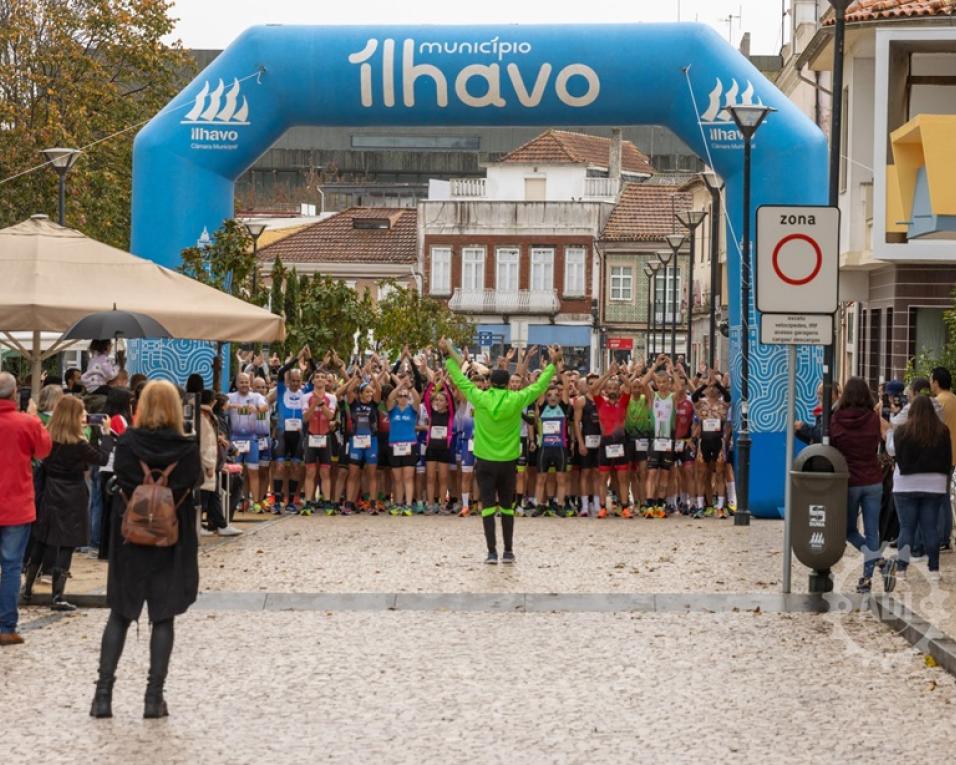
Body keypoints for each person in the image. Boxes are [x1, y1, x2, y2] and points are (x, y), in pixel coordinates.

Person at [91, 380, 202, 719]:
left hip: (131, 540)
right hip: (171, 541)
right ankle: (154, 698)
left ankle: (103, 696)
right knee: (163, 617)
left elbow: (120, 482)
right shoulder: (187, 448)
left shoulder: (127, 443)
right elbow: (194, 483)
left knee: (120, 615)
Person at [441, 338, 558, 564]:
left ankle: (491, 552)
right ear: (507, 383)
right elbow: (539, 386)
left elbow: (459, 380)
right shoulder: (516, 398)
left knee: (486, 506)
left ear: (490, 383)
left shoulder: (480, 397)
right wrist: (552, 365)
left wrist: (448, 358)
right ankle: (508, 551)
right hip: (508, 460)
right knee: (506, 506)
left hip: (484, 459)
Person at [21, 396, 111, 610]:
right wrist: (106, 435)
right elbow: (103, 458)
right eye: (81, 414)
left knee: (43, 539)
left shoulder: (48, 438)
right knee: (67, 542)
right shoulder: (79, 444)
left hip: (50, 491)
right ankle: (57, 596)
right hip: (73, 494)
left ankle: (27, 589)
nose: (84, 417)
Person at [0, 373, 52, 646]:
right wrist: (33, 417)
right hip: (16, 506)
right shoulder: (26, 423)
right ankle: (6, 627)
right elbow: (44, 450)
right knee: (10, 567)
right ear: (14, 394)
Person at [886, 394, 951, 585]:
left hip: (905, 484)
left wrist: (890, 432)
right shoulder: (942, 431)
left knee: (907, 528)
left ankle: (902, 570)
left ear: (911, 411)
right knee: (930, 528)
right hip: (935, 484)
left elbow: (891, 450)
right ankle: (934, 570)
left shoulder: (902, 431)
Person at [830, 377, 887, 594]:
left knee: (848, 530)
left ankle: (878, 559)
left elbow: (832, 445)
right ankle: (867, 577)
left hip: (850, 481)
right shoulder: (873, 418)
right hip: (873, 479)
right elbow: (879, 441)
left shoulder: (836, 419)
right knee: (873, 531)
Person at [225, 373, 269, 513]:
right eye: (241, 382)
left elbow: (265, 407)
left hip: (251, 438)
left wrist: (257, 409)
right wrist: (232, 406)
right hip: (235, 438)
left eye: (246, 382)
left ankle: (256, 502)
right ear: (237, 384)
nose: (244, 384)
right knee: (236, 472)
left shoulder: (255, 397)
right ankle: (238, 500)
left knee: (253, 471)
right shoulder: (230, 396)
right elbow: (222, 406)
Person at [930, 367, 956, 552]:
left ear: (937, 382)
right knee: (944, 496)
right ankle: (944, 538)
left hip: (939, 455)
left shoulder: (937, 403)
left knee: (939, 498)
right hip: (953, 455)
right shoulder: (954, 399)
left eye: (931, 380)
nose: (931, 383)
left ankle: (942, 538)